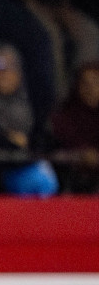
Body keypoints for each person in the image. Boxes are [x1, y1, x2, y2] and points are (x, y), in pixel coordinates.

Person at [0, 43, 58, 198]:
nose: (5, 73)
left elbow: (45, 140)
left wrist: (25, 144)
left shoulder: (31, 105)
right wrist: (18, 146)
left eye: (12, 66)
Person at [52, 61, 99, 192]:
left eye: (96, 83)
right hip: (68, 183)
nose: (91, 89)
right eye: (85, 83)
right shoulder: (63, 116)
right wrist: (81, 155)